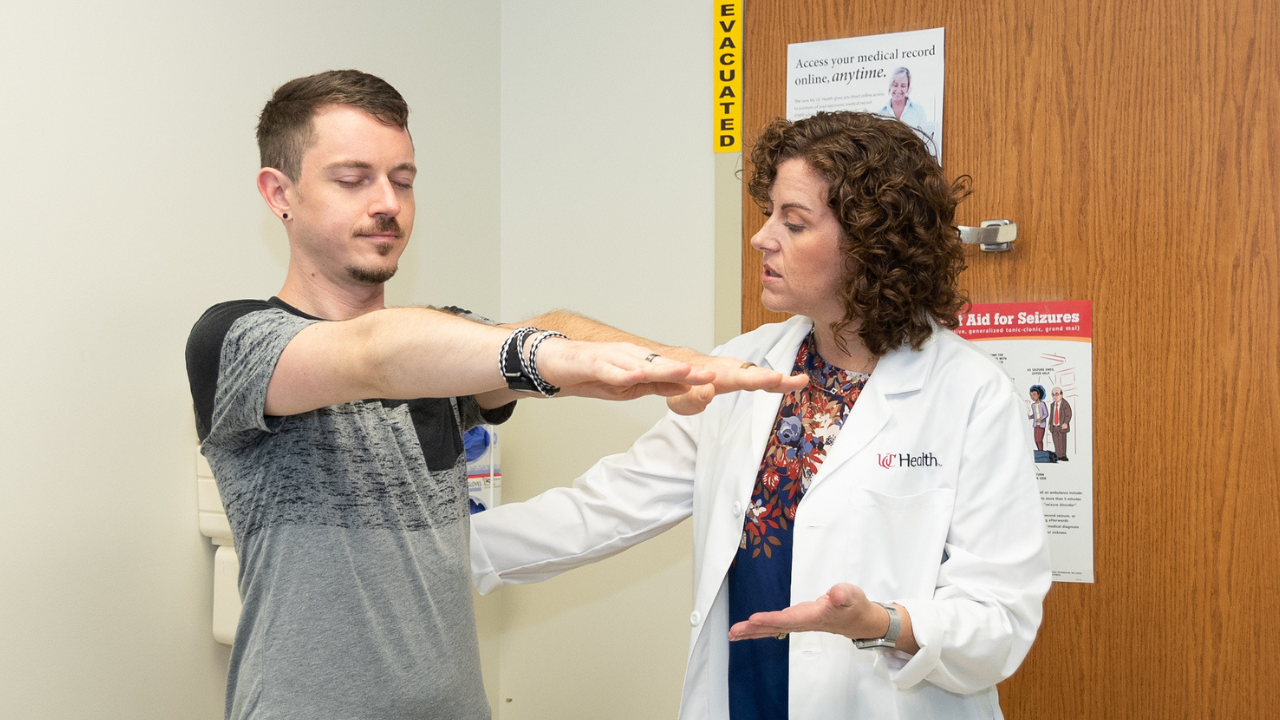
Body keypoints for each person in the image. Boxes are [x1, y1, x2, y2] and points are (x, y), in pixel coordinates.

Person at [184, 69, 804, 720]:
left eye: (402, 180)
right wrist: (543, 358)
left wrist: (678, 366)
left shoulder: (442, 351)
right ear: (278, 192)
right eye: (352, 179)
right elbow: (374, 355)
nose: (388, 203)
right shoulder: (236, 341)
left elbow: (547, 328)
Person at [471, 111, 1051, 719]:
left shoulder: (970, 393)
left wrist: (880, 623)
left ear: (874, 247)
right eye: (769, 212)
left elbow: (1000, 618)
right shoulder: (743, 365)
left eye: (793, 222)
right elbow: (605, 507)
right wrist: (435, 551)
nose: (762, 236)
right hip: (744, 699)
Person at [1049, 387, 1072, 461]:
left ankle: (1063, 455)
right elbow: (1051, 415)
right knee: (1056, 441)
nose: (1055, 397)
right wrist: (1050, 424)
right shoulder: (1052, 405)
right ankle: (1058, 454)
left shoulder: (1065, 404)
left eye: (1056, 394)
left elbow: (1068, 414)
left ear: (1061, 394)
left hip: (1061, 426)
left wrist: (1066, 422)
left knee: (1062, 441)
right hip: (1054, 426)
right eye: (1053, 395)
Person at [1029, 384, 1049, 451]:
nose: (1032, 397)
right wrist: (1030, 416)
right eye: (1031, 395)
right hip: (1035, 424)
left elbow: (1046, 414)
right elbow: (1034, 415)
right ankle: (1039, 450)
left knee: (1039, 440)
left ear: (1039, 395)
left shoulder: (1042, 404)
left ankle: (1041, 451)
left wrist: (1041, 418)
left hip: (1041, 424)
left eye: (1034, 394)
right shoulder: (1033, 405)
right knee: (1036, 439)